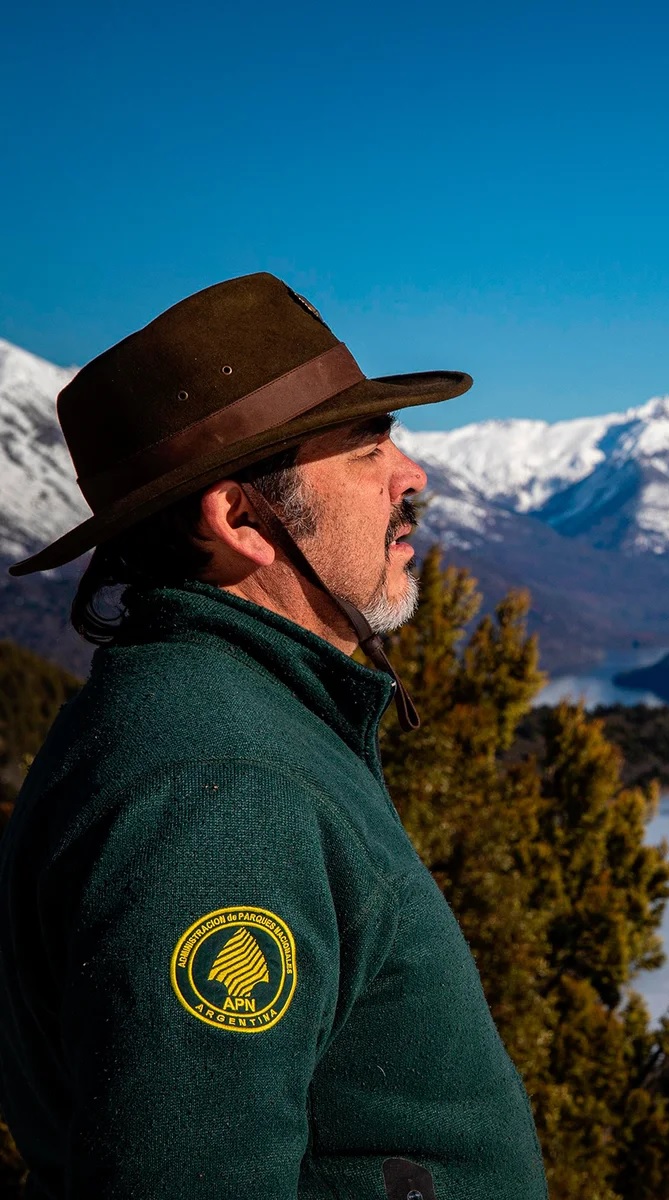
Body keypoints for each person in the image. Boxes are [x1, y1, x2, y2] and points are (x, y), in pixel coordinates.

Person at [0, 274, 549, 1198]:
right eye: (367, 447)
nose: (413, 478)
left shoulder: (217, 725)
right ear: (242, 518)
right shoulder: (220, 794)